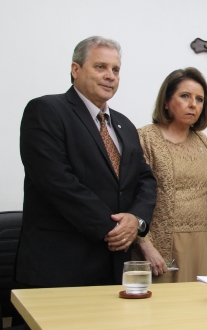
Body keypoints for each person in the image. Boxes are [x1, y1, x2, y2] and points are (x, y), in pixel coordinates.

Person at [17, 36, 156, 288]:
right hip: (62, 265)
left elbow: (144, 179)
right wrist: (114, 228)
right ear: (75, 70)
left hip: (115, 265)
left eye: (115, 70)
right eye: (100, 67)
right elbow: (57, 181)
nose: (110, 76)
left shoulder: (124, 125)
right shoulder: (46, 111)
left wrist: (136, 221)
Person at [132, 68, 207, 282]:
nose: (193, 104)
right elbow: (131, 196)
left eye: (200, 99)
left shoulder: (204, 142)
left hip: (204, 243)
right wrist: (145, 244)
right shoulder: (145, 138)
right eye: (185, 96)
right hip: (163, 245)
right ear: (166, 101)